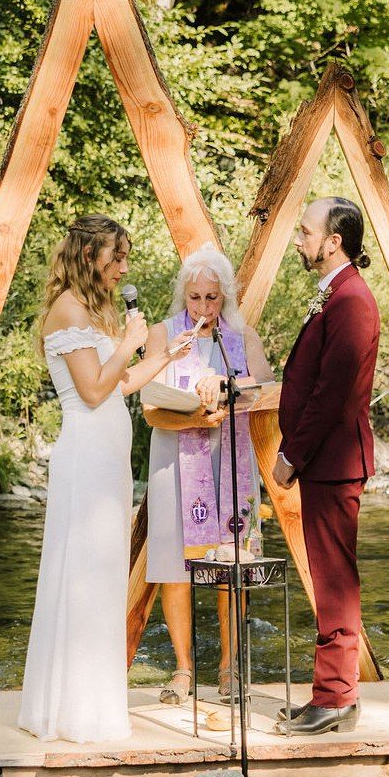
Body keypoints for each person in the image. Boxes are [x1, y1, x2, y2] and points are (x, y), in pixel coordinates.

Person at [19, 215, 198, 743]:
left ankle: (92, 705)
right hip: (85, 457)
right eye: (115, 257)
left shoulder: (93, 310)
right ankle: (72, 712)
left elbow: (120, 384)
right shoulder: (67, 310)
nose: (122, 268)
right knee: (84, 573)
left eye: (124, 258)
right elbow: (93, 391)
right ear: (88, 254)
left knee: (104, 574)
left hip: (108, 458)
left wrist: (164, 354)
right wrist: (129, 341)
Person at [143, 245, 274, 705]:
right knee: (174, 566)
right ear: (183, 295)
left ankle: (229, 667)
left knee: (232, 562)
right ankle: (182, 668)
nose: (202, 308)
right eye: (195, 297)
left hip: (230, 462)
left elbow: (265, 388)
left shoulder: (242, 337)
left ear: (225, 297)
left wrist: (226, 385)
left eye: (212, 298)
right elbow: (150, 408)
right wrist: (195, 416)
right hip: (173, 460)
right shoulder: (162, 334)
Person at [273, 197, 380, 736]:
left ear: (333, 241)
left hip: (332, 462)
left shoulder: (351, 301)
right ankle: (335, 694)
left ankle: (335, 697)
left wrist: (291, 455)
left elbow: (332, 395)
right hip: (327, 462)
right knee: (328, 577)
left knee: (335, 581)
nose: (298, 240)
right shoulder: (336, 294)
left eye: (305, 231)